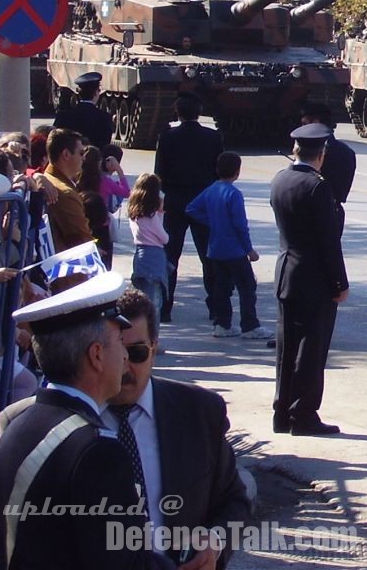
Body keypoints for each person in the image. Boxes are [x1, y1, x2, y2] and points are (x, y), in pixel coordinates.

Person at [0, 271, 152, 569]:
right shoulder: (97, 451)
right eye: (120, 342)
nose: (125, 358)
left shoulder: (17, 423)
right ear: (96, 355)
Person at [104, 287, 252, 570]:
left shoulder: (198, 411)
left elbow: (235, 500)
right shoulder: (69, 422)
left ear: (154, 348)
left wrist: (214, 540)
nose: (124, 368)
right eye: (116, 354)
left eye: (135, 353)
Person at [270, 124, 349, 436]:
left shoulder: (281, 179)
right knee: (311, 349)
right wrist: (340, 283)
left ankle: (282, 411)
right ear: (322, 154)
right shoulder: (317, 187)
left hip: (286, 270)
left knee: (286, 346)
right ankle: (303, 414)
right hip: (314, 277)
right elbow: (328, 241)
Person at [187, 152, 272, 340]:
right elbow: (240, 225)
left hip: (215, 248)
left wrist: (212, 221)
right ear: (237, 172)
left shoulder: (211, 190)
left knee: (222, 288)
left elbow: (191, 209)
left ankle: (222, 323)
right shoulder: (234, 194)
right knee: (247, 286)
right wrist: (249, 249)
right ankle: (250, 325)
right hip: (234, 249)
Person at [154, 95, 223, 323]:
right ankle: (215, 308)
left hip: (175, 199)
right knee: (209, 255)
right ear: (199, 111)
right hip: (203, 200)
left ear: (177, 112)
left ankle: (164, 307)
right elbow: (218, 170)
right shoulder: (213, 137)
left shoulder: (167, 137)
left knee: (170, 255)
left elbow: (159, 172)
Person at [128, 173, 172, 322]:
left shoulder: (134, 214)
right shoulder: (152, 217)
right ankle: (152, 339)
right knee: (154, 304)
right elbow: (165, 238)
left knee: (142, 299)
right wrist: (161, 214)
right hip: (154, 256)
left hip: (140, 255)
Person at [43, 128, 94, 251]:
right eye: (81, 153)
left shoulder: (47, 178)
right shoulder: (65, 193)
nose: (84, 158)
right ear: (66, 154)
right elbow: (84, 240)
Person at [300, 102, 356, 204]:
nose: (302, 128)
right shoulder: (347, 152)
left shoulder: (311, 149)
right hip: (335, 210)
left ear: (315, 122)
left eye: (304, 124)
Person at [53, 71, 114, 149]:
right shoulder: (104, 118)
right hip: (95, 159)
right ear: (95, 93)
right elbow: (105, 144)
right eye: (99, 90)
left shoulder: (63, 116)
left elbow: (56, 140)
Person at [78, 146, 115, 269]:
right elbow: (125, 191)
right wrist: (118, 170)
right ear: (99, 162)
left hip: (84, 218)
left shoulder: (76, 180)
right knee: (103, 263)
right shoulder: (104, 180)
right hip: (101, 221)